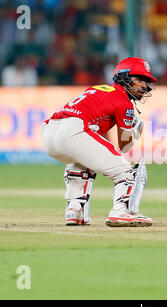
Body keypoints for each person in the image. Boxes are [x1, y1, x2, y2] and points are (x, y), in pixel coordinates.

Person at [41, 57, 157, 227]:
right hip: (74, 130)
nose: (143, 85)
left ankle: (75, 210)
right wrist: (135, 130)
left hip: (49, 131)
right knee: (128, 171)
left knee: (82, 161)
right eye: (139, 79)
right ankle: (121, 211)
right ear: (123, 77)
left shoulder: (99, 88)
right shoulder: (124, 102)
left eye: (146, 81)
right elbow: (125, 146)